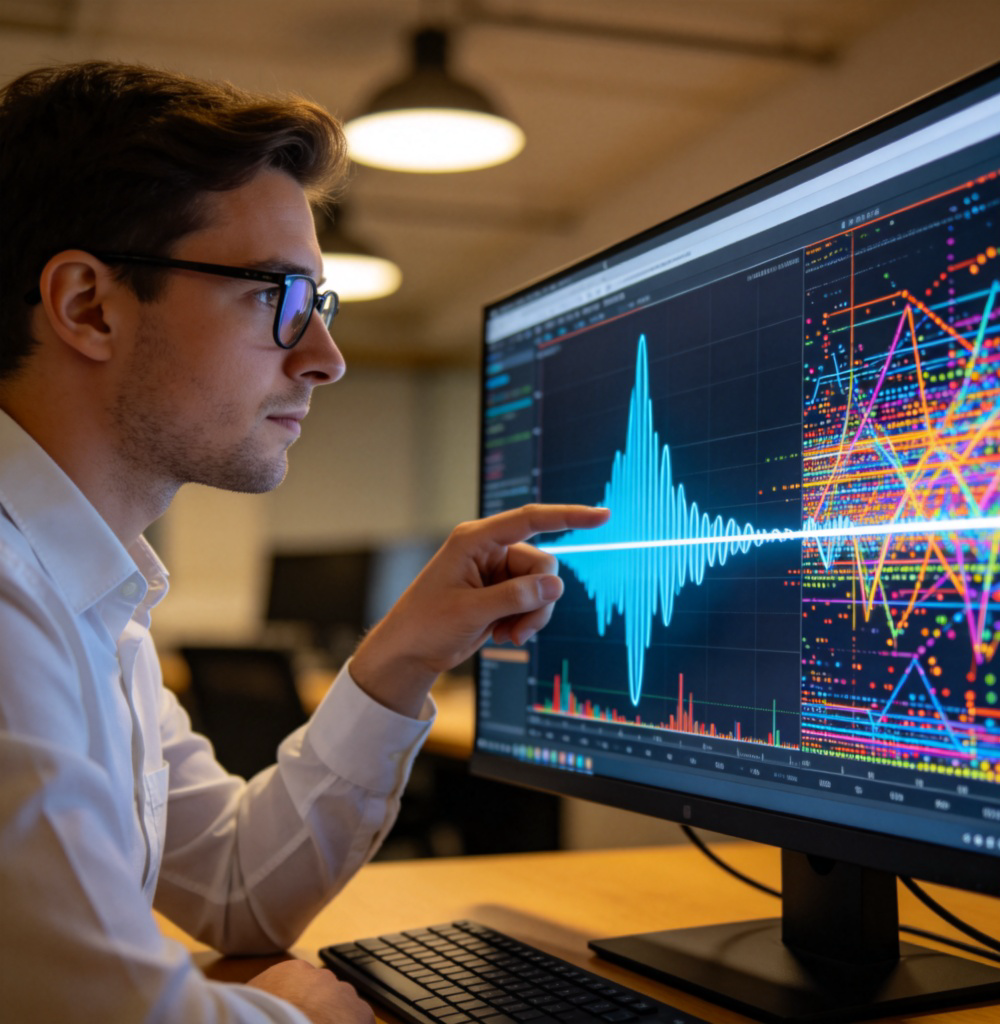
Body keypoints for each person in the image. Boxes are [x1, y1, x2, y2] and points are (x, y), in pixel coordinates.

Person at [0, 60, 608, 1024]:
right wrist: (306, 1015)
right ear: (89, 306)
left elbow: (237, 887)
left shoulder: (90, 599)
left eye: (320, 307)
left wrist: (402, 655)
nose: (326, 358)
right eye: (278, 296)